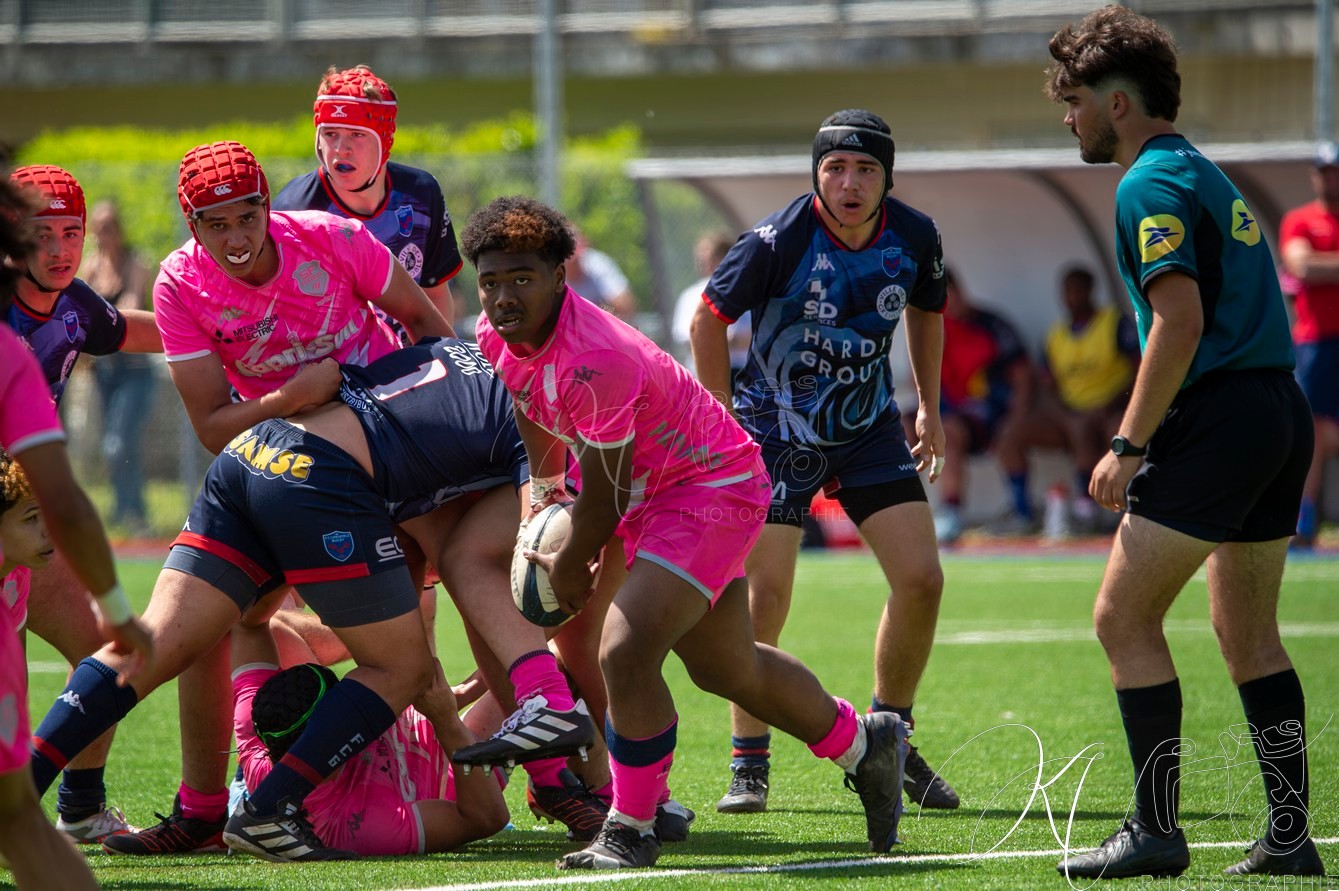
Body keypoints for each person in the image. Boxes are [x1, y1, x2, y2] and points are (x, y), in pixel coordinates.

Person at [26, 335, 605, 863]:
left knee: (148, 646)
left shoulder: (460, 352)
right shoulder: (535, 418)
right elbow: (535, 527)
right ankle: (269, 811)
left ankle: (14, 801)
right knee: (401, 667)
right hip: (322, 476)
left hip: (255, 450)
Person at [467, 194, 912, 871]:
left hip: (711, 487)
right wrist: (545, 496)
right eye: (491, 279)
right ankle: (865, 745)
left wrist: (567, 562)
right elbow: (531, 406)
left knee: (624, 648)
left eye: (521, 277)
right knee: (726, 667)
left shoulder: (597, 356)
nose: (503, 295)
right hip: (655, 492)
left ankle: (634, 823)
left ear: (562, 275)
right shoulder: (493, 333)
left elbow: (609, 492)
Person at [100, 138, 454, 856]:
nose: (234, 237)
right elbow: (207, 423)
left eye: (246, 216)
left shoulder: (331, 239)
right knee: (211, 625)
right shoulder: (182, 281)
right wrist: (291, 397)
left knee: (443, 613)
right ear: (191, 226)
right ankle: (205, 809)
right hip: (278, 472)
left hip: (380, 469)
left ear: (268, 205)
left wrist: (420, 432)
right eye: (214, 222)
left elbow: (432, 330)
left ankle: (559, 782)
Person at [1046, 6, 1326, 879]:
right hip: (1276, 411)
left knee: (1120, 616)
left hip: (1220, 419)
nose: (1069, 117)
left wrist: (1126, 444)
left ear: (1118, 103)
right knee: (1249, 637)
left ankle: (1155, 830)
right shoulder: (1202, 169)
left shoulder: (1146, 184)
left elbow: (1178, 319)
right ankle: (1288, 838)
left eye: (1075, 99)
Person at [689, 109, 960, 816]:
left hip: (867, 428)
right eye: (835, 167)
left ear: (885, 178)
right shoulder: (776, 240)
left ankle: (890, 736)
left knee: (921, 579)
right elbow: (706, 319)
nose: (848, 182)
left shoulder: (915, 235)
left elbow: (926, 309)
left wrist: (927, 406)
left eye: (864, 169)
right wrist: (718, 418)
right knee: (764, 599)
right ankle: (748, 762)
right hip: (773, 433)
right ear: (816, 173)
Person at [0, 166, 153, 891]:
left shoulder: (75, 307)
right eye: (41, 233)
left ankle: (82, 809)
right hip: (32, 518)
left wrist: (223, 333)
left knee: (102, 653)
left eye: (72, 232)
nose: (61, 249)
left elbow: (134, 331)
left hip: (29, 527)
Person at [231, 622, 510, 856]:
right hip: (458, 768)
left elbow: (250, 624)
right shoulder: (358, 825)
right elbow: (484, 817)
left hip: (422, 712)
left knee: (526, 629)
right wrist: (446, 720)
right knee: (547, 659)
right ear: (326, 730)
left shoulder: (255, 730)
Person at [272, 64, 465, 331]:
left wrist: (444, 362)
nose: (341, 149)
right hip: (331, 367)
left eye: (356, 135)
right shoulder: (292, 212)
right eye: (330, 134)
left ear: (384, 141)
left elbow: (434, 295)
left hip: (410, 364)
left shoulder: (421, 193)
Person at [992, 265, 1139, 536]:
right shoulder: (1056, 335)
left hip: (1112, 409)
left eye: (1077, 290)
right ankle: (1023, 512)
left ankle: (1117, 509)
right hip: (1070, 414)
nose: (1072, 297)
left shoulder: (1114, 323)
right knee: (1010, 434)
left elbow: (1140, 369)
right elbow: (1047, 386)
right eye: (1067, 291)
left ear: (1090, 291)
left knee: (1121, 433)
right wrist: (1065, 415)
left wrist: (1110, 404)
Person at [930, 268, 1034, 543]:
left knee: (947, 432)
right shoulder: (933, 330)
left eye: (948, 293)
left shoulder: (990, 325)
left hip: (990, 416)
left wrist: (1015, 418)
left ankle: (952, 513)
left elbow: (1022, 374)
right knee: (898, 427)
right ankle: (895, 512)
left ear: (959, 290)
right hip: (951, 414)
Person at [82, 200, 158, 535]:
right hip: (105, 372)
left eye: (108, 228)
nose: (102, 236)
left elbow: (127, 308)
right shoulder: (92, 267)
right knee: (114, 445)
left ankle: (135, 515)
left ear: (120, 230)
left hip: (136, 372)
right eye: (97, 229)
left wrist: (97, 322)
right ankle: (123, 512)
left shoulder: (135, 263)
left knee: (119, 443)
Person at [1277, 142, 1339, 550]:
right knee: (1311, 433)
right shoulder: (1300, 220)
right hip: (1316, 342)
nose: (1329, 177)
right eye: (1324, 170)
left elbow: (1317, 266)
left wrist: (1326, 264)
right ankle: (1304, 518)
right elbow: (1301, 265)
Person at [670, 230, 748, 374]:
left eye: (711, 255)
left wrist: (715, 337)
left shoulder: (746, 290)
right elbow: (686, 337)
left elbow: (752, 336)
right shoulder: (690, 295)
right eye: (701, 256)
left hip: (743, 375)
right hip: (703, 375)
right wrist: (725, 339)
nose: (703, 261)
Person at [565, 229, 637, 320]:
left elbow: (625, 306)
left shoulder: (597, 263)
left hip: (603, 327)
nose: (573, 259)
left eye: (576, 253)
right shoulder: (551, 273)